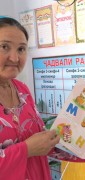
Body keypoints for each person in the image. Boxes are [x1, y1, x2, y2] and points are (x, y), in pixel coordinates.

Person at [0, 17, 60, 180]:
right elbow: (31, 147)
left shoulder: (22, 90)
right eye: (4, 47)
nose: (14, 58)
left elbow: (39, 140)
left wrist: (80, 141)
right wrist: (26, 149)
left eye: (21, 49)